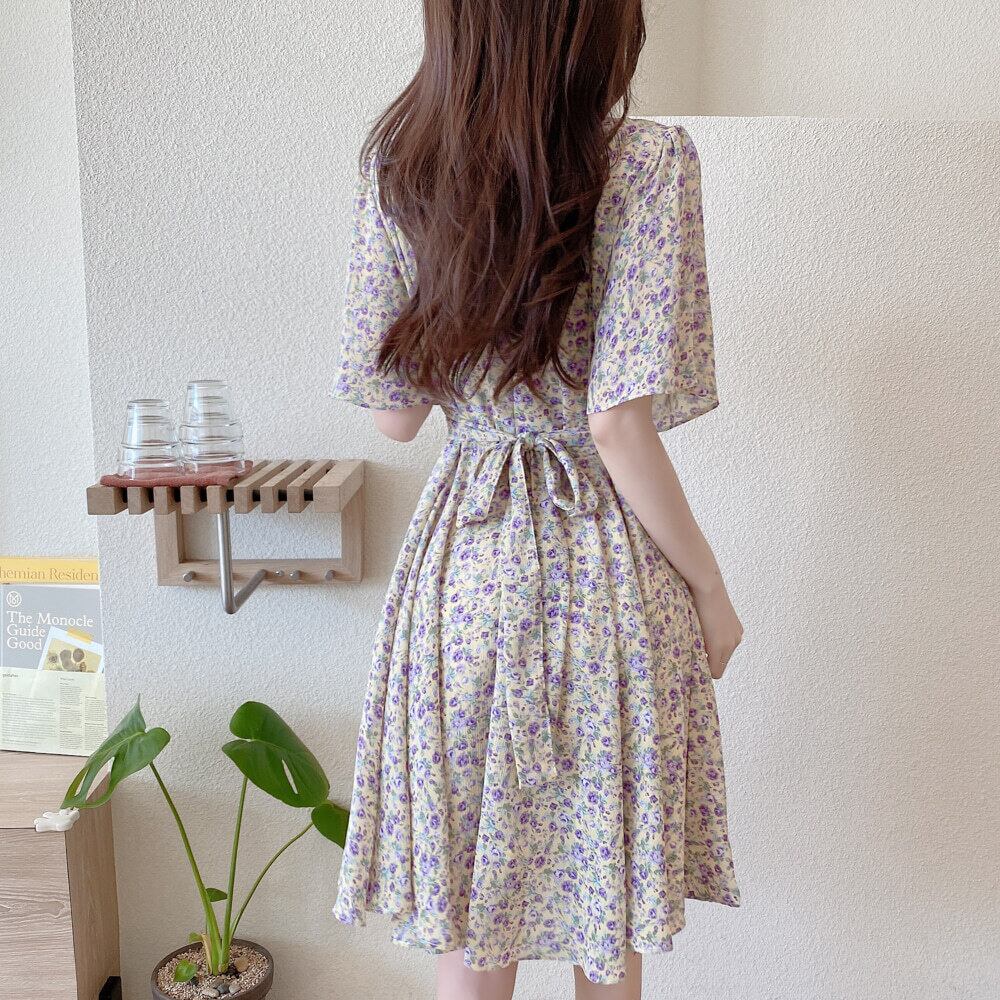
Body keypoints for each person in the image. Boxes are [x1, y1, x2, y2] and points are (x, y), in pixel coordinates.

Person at [328, 3, 742, 997]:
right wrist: (710, 590)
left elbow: (393, 417)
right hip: (603, 575)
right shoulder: (643, 163)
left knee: (473, 920)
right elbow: (617, 423)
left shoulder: (402, 169)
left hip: (460, 576)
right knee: (609, 912)